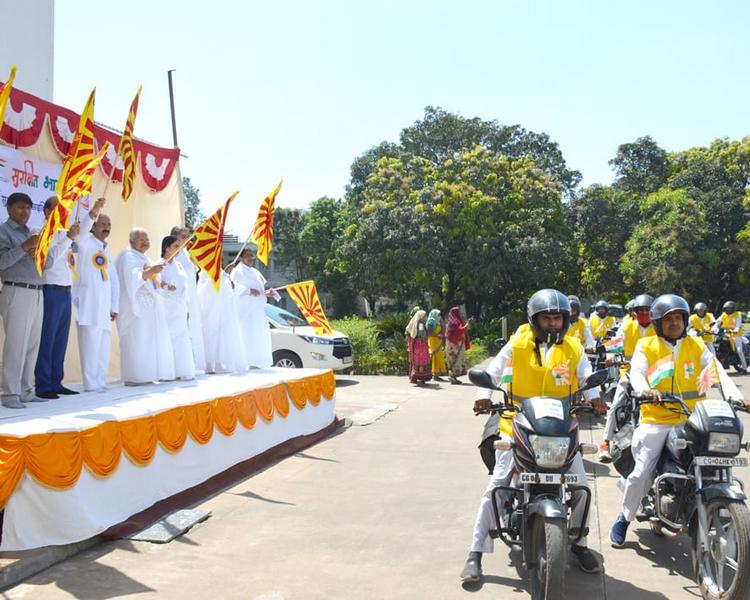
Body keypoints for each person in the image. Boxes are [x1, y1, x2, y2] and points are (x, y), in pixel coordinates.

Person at [461, 289, 601, 582]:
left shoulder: (573, 347)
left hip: (561, 432)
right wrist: (484, 394)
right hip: (517, 426)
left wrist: (595, 396)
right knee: (497, 487)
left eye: (557, 319)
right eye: (547, 319)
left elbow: (587, 378)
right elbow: (495, 370)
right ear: (534, 319)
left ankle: (579, 543)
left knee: (581, 488)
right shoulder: (518, 342)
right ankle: (475, 552)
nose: (553, 324)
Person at [608, 294, 744, 546]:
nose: (675, 323)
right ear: (659, 323)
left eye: (679, 318)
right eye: (669, 319)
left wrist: (738, 397)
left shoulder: (695, 345)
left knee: (717, 457)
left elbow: (717, 371)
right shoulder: (647, 346)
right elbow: (637, 372)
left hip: (691, 419)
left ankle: (723, 507)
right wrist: (645, 389)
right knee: (641, 474)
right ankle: (623, 519)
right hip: (655, 420)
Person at [33, 196, 94, 398]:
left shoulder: (64, 233)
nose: (64, 213)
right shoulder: (40, 232)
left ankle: (56, 381)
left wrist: (94, 211)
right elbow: (49, 261)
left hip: (66, 291)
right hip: (49, 290)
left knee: (60, 340)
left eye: (66, 209)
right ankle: (43, 385)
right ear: (48, 212)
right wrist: (68, 238)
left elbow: (83, 235)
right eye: (59, 209)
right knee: (47, 338)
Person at [0, 193, 46, 408]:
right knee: (15, 345)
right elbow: (2, 262)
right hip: (16, 290)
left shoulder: (32, 233)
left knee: (31, 345)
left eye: (28, 208)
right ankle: (9, 394)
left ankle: (27, 390)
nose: (25, 212)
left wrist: (41, 249)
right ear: (9, 209)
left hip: (37, 291)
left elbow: (50, 263)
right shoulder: (4, 231)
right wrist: (24, 247)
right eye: (20, 207)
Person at [115, 228, 175, 384]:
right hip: (134, 307)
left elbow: (153, 279)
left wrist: (161, 279)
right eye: (141, 239)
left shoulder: (144, 257)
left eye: (147, 239)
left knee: (147, 341)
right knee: (137, 340)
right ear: (132, 240)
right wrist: (151, 270)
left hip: (149, 306)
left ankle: (147, 375)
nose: (145, 243)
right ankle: (134, 377)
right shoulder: (127, 256)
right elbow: (133, 277)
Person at [599, 294, 655, 461]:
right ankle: (605, 443)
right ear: (634, 312)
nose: (644, 313)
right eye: (641, 310)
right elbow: (616, 343)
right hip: (629, 370)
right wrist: (611, 356)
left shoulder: (659, 327)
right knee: (616, 404)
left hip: (654, 375)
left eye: (647, 310)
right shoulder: (627, 325)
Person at [73, 209, 119, 392]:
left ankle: (100, 381)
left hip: (104, 308)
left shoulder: (106, 249)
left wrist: (114, 305)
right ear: (93, 227)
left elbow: (114, 281)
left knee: (103, 345)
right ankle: (90, 383)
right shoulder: (85, 243)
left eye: (108, 225)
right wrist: (92, 214)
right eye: (103, 224)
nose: (106, 228)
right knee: (90, 345)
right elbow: (81, 232)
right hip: (88, 304)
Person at [230, 248, 275, 368]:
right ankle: (245, 362)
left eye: (252, 256)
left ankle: (258, 361)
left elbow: (260, 290)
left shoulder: (255, 271)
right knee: (246, 334)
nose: (251, 259)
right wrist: (248, 290)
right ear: (240, 257)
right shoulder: (237, 271)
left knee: (258, 334)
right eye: (248, 256)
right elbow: (233, 287)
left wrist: (267, 292)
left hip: (257, 309)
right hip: (245, 310)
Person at [159, 236, 196, 380]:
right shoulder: (161, 264)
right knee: (168, 338)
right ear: (167, 248)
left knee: (181, 338)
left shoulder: (179, 265)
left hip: (180, 307)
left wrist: (186, 308)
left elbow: (184, 287)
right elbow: (156, 282)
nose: (179, 249)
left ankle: (182, 370)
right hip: (166, 306)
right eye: (176, 246)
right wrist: (167, 286)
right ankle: (168, 371)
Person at [198, 269, 248, 374]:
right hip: (210, 311)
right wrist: (224, 275)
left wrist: (226, 277)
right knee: (210, 336)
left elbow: (229, 289)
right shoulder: (205, 270)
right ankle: (208, 364)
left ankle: (218, 363)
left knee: (221, 337)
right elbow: (206, 288)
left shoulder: (220, 270)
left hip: (222, 310)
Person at [171, 225, 206, 372]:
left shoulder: (185, 252)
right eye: (183, 236)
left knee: (193, 330)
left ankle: (195, 364)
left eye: (187, 236)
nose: (187, 239)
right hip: (178, 297)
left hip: (191, 296)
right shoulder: (172, 252)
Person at [445, 306, 472, 384]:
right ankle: (453, 377)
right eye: (459, 312)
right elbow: (460, 331)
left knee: (456, 360)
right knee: (454, 360)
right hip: (454, 347)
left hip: (456, 346)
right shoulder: (454, 323)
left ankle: (454, 377)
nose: (460, 314)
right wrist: (468, 324)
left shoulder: (456, 322)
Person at [718, 300, 747, 373]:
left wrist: (735, 330)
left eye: (730, 308)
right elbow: (717, 322)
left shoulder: (738, 314)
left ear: (733, 309)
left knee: (739, 351)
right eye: (727, 308)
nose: (728, 310)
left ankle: (744, 368)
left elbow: (738, 324)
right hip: (727, 334)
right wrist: (712, 327)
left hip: (736, 335)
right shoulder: (724, 315)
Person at [405, 309, 431, 385]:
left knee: (416, 360)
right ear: (421, 317)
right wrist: (424, 337)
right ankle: (420, 378)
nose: (426, 318)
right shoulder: (420, 324)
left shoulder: (415, 323)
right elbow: (421, 330)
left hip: (416, 345)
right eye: (425, 316)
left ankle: (414, 378)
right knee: (421, 360)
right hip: (421, 345)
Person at [426, 309, 447, 381]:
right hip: (433, 341)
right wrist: (436, 335)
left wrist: (442, 322)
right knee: (434, 356)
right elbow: (428, 332)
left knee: (439, 356)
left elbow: (443, 330)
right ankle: (434, 375)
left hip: (438, 341)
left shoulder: (437, 321)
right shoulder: (431, 320)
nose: (439, 316)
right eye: (438, 314)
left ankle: (437, 375)